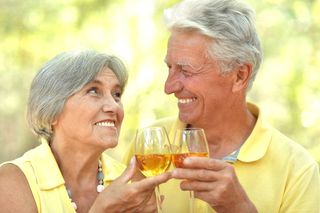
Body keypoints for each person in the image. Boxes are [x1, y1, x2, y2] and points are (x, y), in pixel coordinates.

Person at [124, 0, 320, 212]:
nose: (169, 87)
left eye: (186, 71)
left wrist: (240, 208)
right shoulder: (148, 147)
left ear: (239, 76)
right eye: (170, 68)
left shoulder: (298, 170)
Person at [0, 50, 171, 213]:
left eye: (116, 94)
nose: (113, 106)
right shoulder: (12, 181)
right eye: (94, 91)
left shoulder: (127, 181)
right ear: (52, 112)